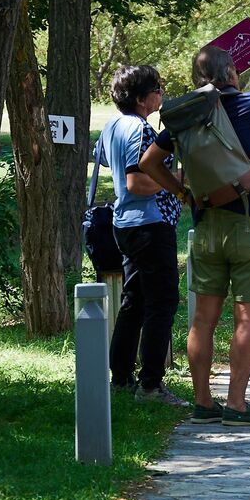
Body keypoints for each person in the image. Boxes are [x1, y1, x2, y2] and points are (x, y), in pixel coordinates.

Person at [138, 46, 250, 426]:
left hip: (205, 222)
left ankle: (203, 403)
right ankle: (237, 404)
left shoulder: (186, 114)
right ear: (231, 71)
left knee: (203, 321)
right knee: (247, 318)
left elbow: (149, 162)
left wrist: (182, 192)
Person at [102, 64, 187, 407]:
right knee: (162, 302)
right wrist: (178, 178)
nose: (161, 95)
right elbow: (137, 182)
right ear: (141, 98)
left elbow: (111, 165)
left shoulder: (112, 125)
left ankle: (120, 378)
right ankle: (150, 384)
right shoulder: (140, 130)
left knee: (134, 302)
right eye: (157, 89)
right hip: (149, 223)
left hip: (125, 223)